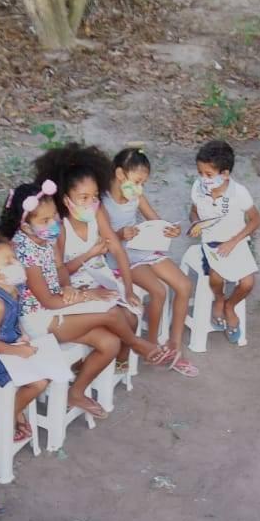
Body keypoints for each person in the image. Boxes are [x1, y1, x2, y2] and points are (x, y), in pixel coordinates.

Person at [34, 142, 179, 376]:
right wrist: (88, 255)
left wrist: (129, 289)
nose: (90, 203)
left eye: (93, 196)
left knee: (130, 316)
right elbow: (60, 272)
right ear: (65, 198)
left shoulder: (97, 211)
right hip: (71, 286)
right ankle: (134, 346)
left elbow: (117, 249)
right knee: (116, 317)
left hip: (97, 277)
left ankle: (118, 361)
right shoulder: (59, 226)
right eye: (83, 197)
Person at [0, 179, 125, 421]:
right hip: (36, 320)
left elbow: (60, 271)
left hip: (56, 307)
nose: (54, 223)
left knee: (110, 343)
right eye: (45, 220)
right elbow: (47, 301)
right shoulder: (24, 251)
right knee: (112, 314)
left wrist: (67, 287)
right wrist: (87, 295)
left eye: (54, 215)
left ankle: (75, 392)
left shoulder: (46, 239)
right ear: (25, 227)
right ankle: (142, 346)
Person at [105, 147, 196, 374]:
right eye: (137, 181)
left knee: (184, 285)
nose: (139, 188)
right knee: (159, 291)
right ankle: (152, 347)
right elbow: (101, 240)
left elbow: (155, 221)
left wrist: (168, 230)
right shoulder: (103, 201)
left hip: (141, 248)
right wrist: (119, 235)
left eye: (143, 183)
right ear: (119, 175)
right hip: (120, 256)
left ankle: (174, 344)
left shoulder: (135, 195)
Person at [0, 235, 50, 443]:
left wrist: (21, 334)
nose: (15, 263)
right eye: (7, 262)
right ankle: (7, 416)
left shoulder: (14, 288)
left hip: (7, 346)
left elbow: (13, 319)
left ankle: (14, 410)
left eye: (13, 257)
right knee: (38, 383)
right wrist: (19, 351)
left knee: (45, 369)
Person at [188, 139, 260, 346]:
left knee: (248, 283)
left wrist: (233, 241)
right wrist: (196, 224)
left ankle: (230, 305)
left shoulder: (239, 193)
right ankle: (219, 298)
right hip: (211, 242)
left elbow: (256, 220)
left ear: (225, 174)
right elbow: (193, 211)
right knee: (216, 276)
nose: (203, 178)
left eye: (209, 175)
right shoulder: (197, 188)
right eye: (200, 173)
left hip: (235, 242)